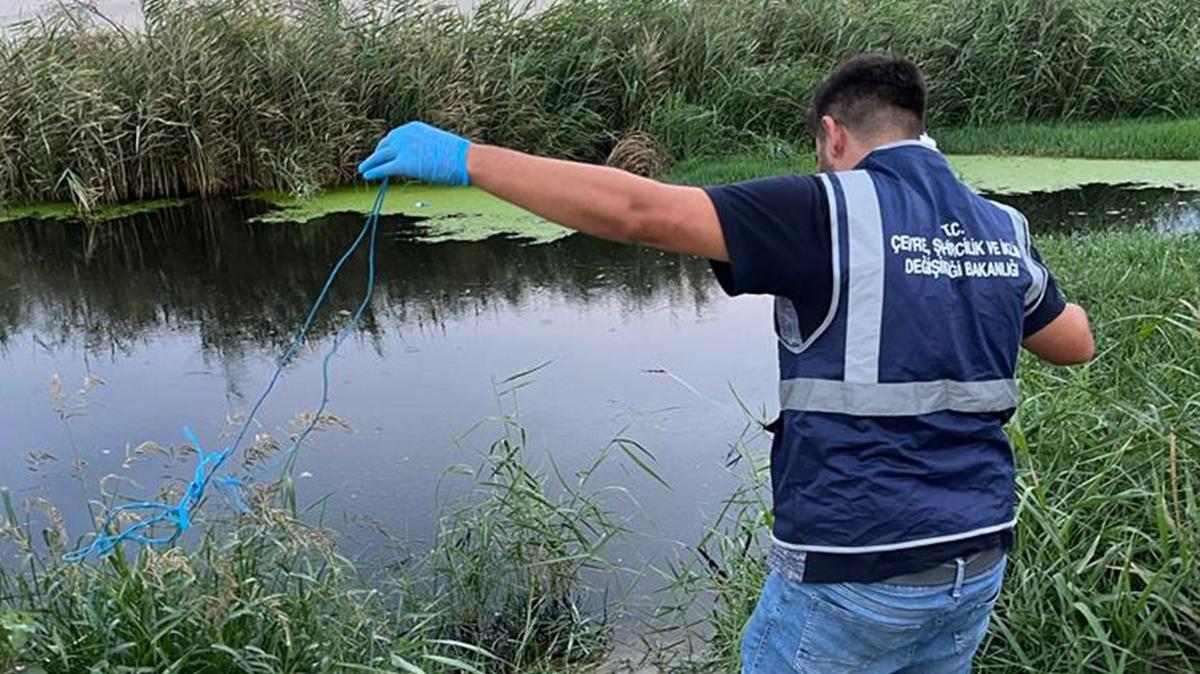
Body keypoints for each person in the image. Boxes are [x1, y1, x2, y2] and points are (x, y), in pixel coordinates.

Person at [358, 53, 1095, 673]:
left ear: (833, 135)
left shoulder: (828, 209)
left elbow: (640, 213)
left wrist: (469, 158)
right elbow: (1073, 341)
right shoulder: (1003, 226)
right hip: (972, 564)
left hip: (853, 573)